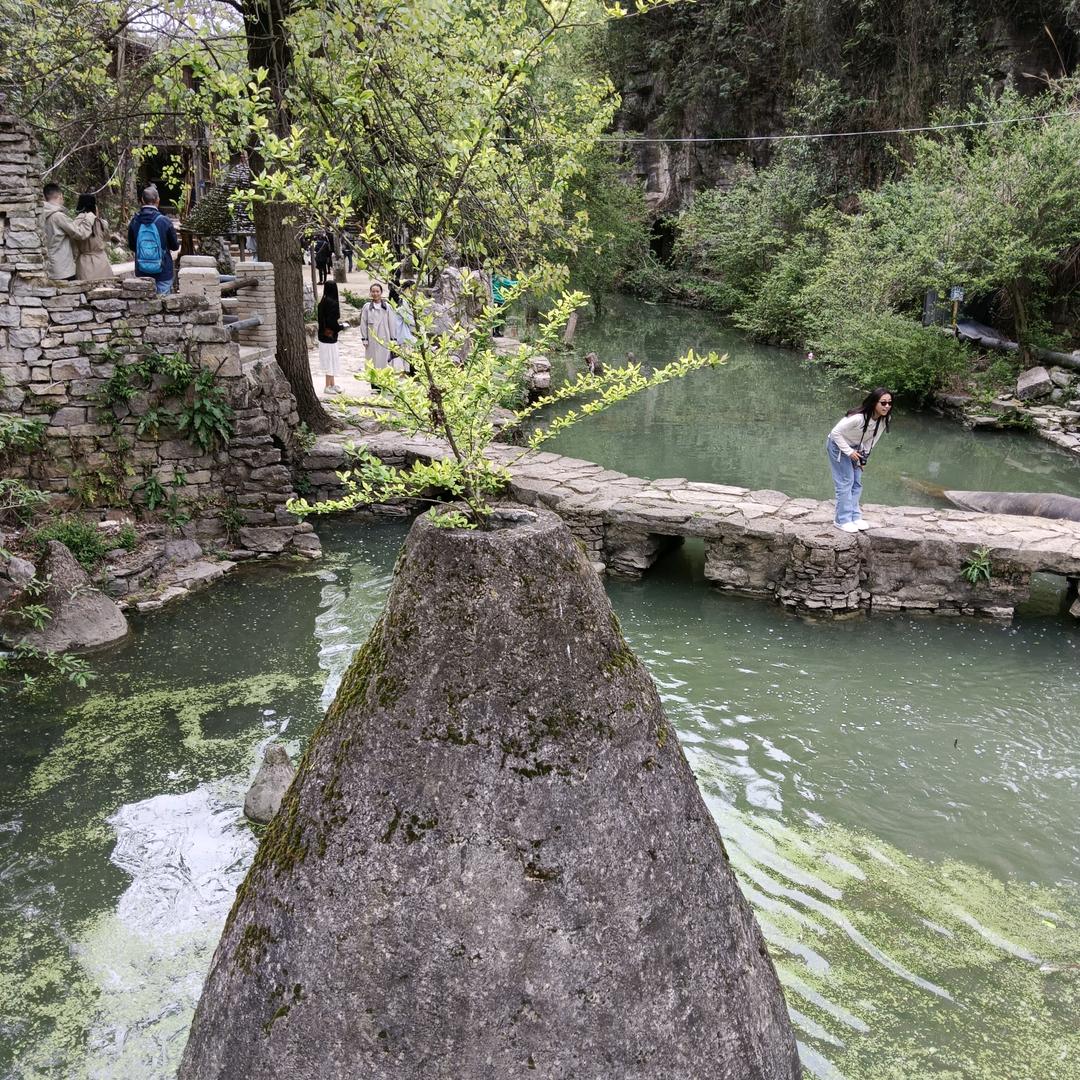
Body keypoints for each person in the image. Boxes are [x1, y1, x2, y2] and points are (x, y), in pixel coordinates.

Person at [826, 388, 894, 532]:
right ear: (874, 403)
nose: (887, 406)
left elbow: (872, 440)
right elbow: (835, 433)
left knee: (857, 482)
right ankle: (841, 520)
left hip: (857, 448)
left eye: (889, 403)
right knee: (846, 481)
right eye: (883, 403)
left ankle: (855, 516)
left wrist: (863, 459)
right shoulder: (858, 418)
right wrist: (849, 452)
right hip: (838, 445)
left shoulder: (884, 419)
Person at [127, 185, 179, 295]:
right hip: (163, 272)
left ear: (142, 200)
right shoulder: (164, 221)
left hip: (142, 272)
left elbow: (132, 246)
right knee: (164, 303)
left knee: (143, 303)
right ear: (158, 200)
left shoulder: (135, 221)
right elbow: (175, 246)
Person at [38, 183, 93, 281]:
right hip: (63, 268)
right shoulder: (58, 216)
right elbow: (80, 233)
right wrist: (89, 219)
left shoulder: (39, 214)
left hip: (49, 266)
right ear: (60, 196)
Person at [72, 193, 115, 282]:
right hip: (102, 262)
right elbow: (106, 238)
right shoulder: (102, 223)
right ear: (94, 207)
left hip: (84, 264)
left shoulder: (75, 224)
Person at [359, 282, 397, 371]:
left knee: (384, 363)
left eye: (377, 291)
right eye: (373, 291)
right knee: (372, 363)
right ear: (370, 293)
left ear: (381, 292)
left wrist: (393, 339)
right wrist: (365, 339)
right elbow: (363, 324)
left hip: (385, 339)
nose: (375, 294)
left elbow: (392, 324)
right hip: (371, 340)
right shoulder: (367, 307)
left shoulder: (387, 307)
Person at [317, 281, 344, 395]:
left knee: (330, 359)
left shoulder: (322, 302)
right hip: (330, 336)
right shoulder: (332, 303)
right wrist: (341, 327)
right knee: (330, 360)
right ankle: (327, 386)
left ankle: (332, 384)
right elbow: (332, 322)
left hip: (323, 336)